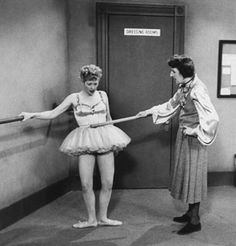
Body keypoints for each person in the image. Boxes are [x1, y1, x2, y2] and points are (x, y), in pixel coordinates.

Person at [20, 64, 131, 228]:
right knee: (86, 184)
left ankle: (103, 218)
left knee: (107, 182)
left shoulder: (103, 95)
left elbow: (109, 117)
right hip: (84, 140)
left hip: (105, 138)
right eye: (89, 84)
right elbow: (52, 114)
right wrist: (31, 115)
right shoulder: (74, 98)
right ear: (83, 81)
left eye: (95, 83)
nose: (93, 87)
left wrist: (114, 142)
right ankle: (91, 220)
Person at [137, 55, 219, 235]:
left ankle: (195, 220)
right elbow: (171, 105)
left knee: (194, 176)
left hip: (195, 139)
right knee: (186, 175)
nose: (171, 75)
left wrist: (195, 131)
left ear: (183, 73)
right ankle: (190, 212)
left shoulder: (198, 90)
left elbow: (212, 117)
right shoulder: (184, 87)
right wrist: (149, 112)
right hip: (184, 137)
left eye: (173, 72)